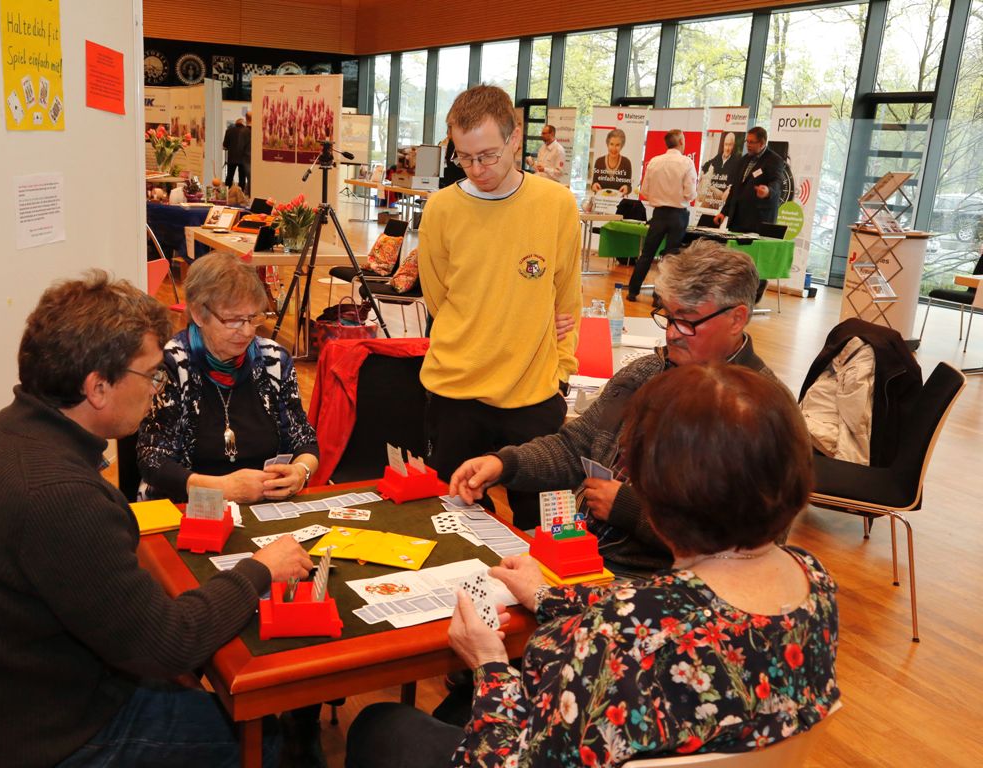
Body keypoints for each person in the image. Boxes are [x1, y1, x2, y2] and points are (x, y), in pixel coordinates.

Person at [0, 271, 313, 767]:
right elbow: (168, 644)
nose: (158, 389)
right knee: (263, 741)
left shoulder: (1, 436)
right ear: (97, 388)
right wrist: (259, 570)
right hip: (18, 740)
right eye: (152, 376)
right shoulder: (60, 495)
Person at [346, 363, 840, 768]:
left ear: (656, 492)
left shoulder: (616, 634)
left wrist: (489, 665)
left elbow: (510, 762)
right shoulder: (813, 581)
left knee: (381, 727)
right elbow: (681, 611)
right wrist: (549, 596)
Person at [450, 239, 780, 573]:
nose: (672, 334)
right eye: (667, 316)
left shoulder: (760, 411)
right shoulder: (644, 373)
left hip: (659, 581)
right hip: (578, 549)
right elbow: (573, 447)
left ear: (737, 319)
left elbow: (749, 545)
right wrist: (503, 464)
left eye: (688, 321)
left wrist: (630, 509)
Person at [418, 84, 581, 531]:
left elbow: (567, 296)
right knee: (452, 521)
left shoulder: (557, 205)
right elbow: (438, 297)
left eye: (487, 155)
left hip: (534, 395)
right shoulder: (441, 209)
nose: (476, 168)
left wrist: (562, 371)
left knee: (545, 528)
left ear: (514, 139)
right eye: (464, 157)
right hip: (455, 392)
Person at [138, 252, 319, 503]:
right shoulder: (170, 366)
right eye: (233, 320)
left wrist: (301, 471)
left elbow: (305, 441)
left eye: (253, 318)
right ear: (199, 314)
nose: (246, 332)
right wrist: (222, 488)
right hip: (185, 506)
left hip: (264, 506)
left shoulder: (273, 360)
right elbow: (153, 461)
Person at [628, 128, 697, 302]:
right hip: (678, 215)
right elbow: (690, 194)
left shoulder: (654, 162)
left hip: (658, 214)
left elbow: (644, 191)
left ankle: (633, 291)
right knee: (670, 257)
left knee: (647, 254)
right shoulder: (687, 163)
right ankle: (658, 296)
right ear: (681, 141)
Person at [715, 125, 784, 234]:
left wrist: (768, 191)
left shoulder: (774, 160)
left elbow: (777, 181)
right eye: (747, 141)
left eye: (751, 142)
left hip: (757, 222)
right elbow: (735, 188)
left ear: (762, 143)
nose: (748, 145)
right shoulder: (743, 160)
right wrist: (724, 212)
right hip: (737, 221)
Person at [699, 130, 741, 207]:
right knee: (709, 195)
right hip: (712, 191)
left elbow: (737, 179)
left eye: (730, 145)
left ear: (733, 146)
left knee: (709, 191)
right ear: (723, 145)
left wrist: (729, 189)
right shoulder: (719, 157)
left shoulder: (736, 161)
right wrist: (702, 172)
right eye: (726, 144)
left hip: (722, 193)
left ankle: (700, 214)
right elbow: (708, 163)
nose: (727, 148)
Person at [592, 127, 633, 195]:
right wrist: (594, 186)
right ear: (607, 144)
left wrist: (627, 188)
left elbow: (629, 186)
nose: (614, 148)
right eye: (611, 144)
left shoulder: (626, 163)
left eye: (617, 145)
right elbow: (594, 184)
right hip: (601, 202)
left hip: (619, 203)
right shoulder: (599, 162)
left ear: (622, 146)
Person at [223, 115, 251, 192]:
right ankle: (241, 193)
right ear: (243, 123)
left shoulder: (229, 131)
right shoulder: (247, 131)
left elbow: (225, 145)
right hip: (243, 158)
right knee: (242, 178)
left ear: (236, 123)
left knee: (229, 176)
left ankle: (226, 192)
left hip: (231, 157)